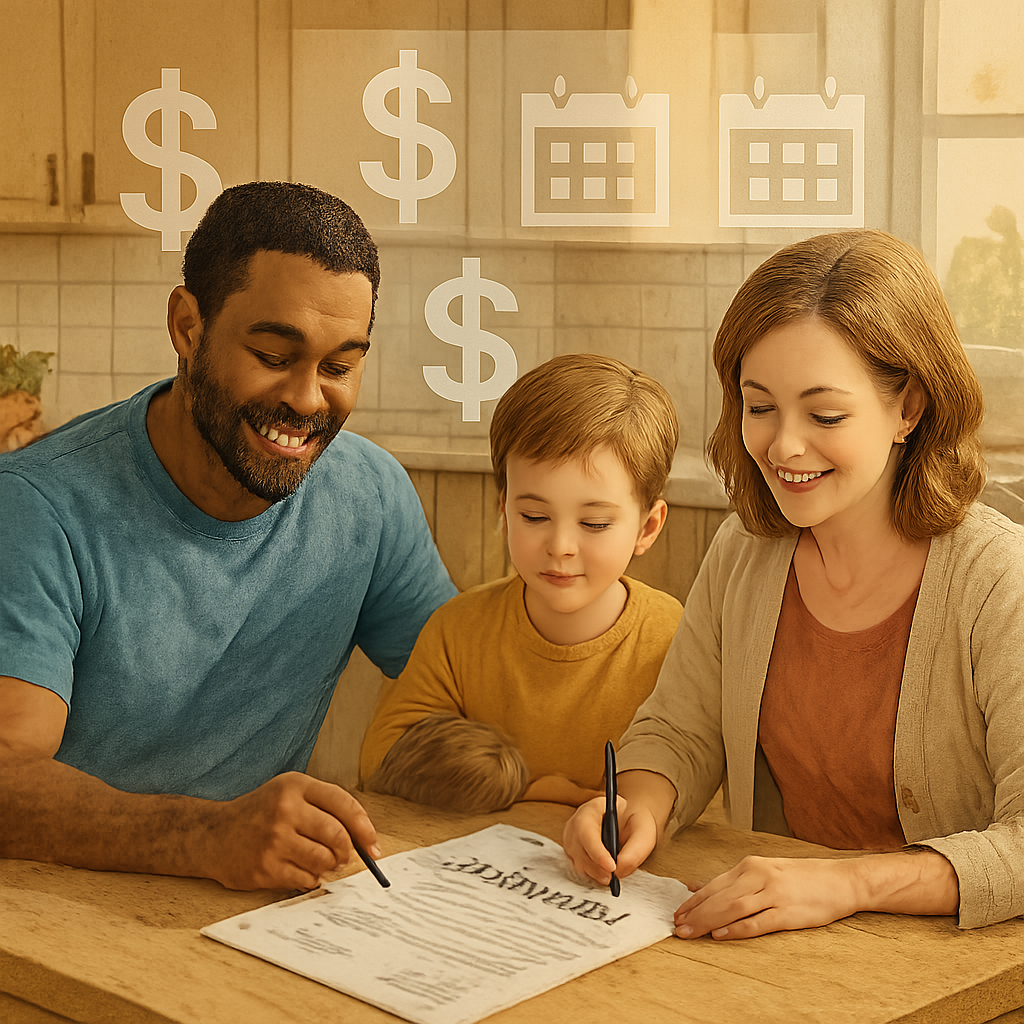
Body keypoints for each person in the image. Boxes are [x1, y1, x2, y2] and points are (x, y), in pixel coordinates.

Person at [563, 229, 1024, 937]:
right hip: (785, 967)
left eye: (825, 414)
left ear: (910, 408)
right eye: (759, 406)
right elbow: (680, 730)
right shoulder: (744, 549)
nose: (784, 446)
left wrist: (850, 883)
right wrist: (637, 804)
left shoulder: (1000, 579)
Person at [0, 181, 455, 891]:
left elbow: (469, 687)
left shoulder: (370, 496)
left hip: (254, 914)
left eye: (339, 367)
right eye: (275, 355)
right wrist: (205, 837)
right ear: (188, 326)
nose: (308, 400)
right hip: (55, 918)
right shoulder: (35, 507)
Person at [359, 353, 684, 812]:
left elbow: (694, 785)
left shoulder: (679, 642)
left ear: (647, 528)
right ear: (503, 509)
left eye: (594, 523)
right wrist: (526, 790)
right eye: (534, 516)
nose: (561, 546)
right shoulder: (458, 630)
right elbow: (381, 764)